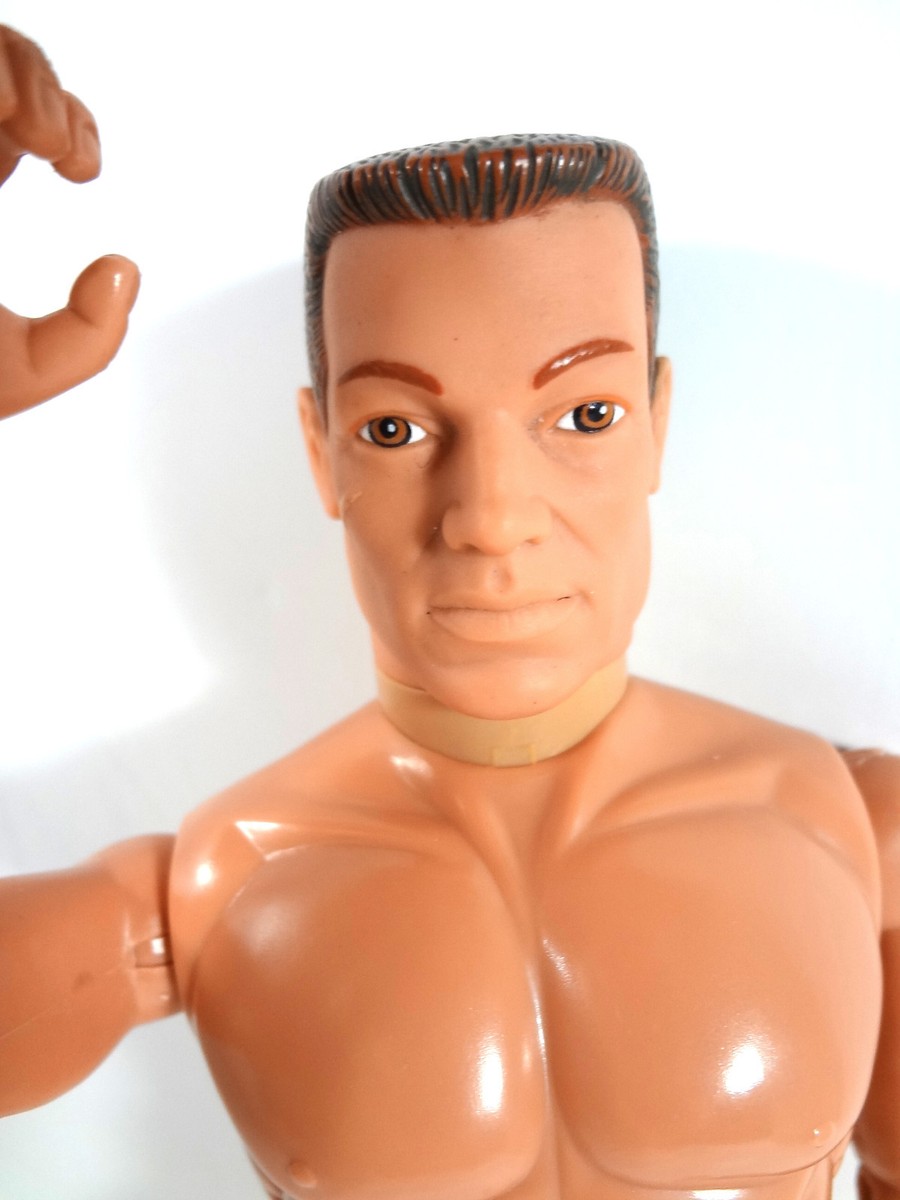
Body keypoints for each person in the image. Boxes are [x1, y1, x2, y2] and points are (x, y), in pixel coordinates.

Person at [2, 25, 898, 1200]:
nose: (489, 518)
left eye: (584, 415)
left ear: (657, 424)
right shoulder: (215, 885)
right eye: (395, 429)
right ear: (321, 456)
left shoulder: (857, 831)